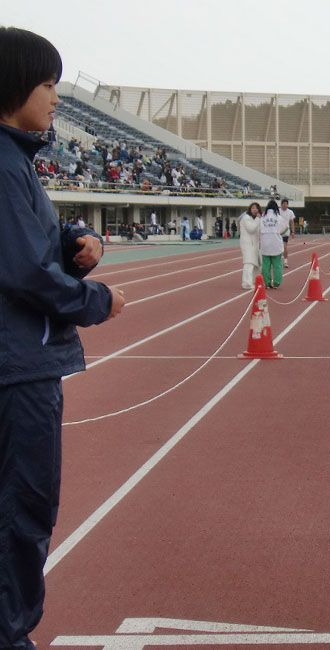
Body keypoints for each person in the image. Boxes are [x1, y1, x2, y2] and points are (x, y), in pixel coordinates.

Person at [0, 26, 126, 649]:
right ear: (14, 85)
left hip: (18, 360)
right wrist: (97, 300)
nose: (56, 98)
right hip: (15, 368)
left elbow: (31, 241)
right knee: (20, 513)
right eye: (48, 84)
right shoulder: (3, 165)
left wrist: (76, 238)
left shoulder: (14, 162)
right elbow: (22, 272)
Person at [259, 199, 287, 289]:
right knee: (277, 265)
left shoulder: (262, 218)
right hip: (276, 243)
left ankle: (266, 283)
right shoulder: (279, 218)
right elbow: (285, 229)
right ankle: (276, 283)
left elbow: (259, 230)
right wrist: (279, 233)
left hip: (265, 243)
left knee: (265, 265)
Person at [238, 202, 261, 290]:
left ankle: (253, 281)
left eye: (256, 208)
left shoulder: (254, 219)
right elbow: (251, 229)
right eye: (253, 208)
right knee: (248, 263)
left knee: (255, 263)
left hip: (254, 244)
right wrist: (258, 219)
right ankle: (246, 283)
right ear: (250, 209)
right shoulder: (246, 218)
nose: (255, 210)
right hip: (247, 244)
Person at [279, 198, 295, 268]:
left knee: (285, 247)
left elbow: (292, 222)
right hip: (278, 232)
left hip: (285, 231)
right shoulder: (278, 211)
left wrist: (293, 231)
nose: (285, 205)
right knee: (278, 247)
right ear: (281, 204)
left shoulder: (290, 212)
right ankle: (278, 261)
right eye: (284, 204)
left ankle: (285, 262)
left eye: (286, 204)